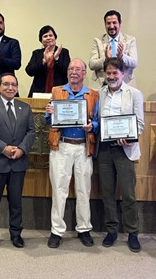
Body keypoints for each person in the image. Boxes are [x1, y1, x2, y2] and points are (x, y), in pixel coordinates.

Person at [0, 73, 35, 251]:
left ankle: (16, 234)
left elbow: (31, 132)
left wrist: (22, 149)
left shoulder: (25, 108)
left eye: (14, 85)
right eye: (7, 84)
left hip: (18, 162)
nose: (11, 88)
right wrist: (4, 148)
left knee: (16, 201)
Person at [45, 58, 99, 248]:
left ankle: (84, 228)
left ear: (84, 73)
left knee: (84, 190)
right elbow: (48, 120)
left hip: (84, 147)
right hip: (62, 146)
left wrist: (92, 126)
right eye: (71, 69)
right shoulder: (57, 91)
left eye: (78, 69)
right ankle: (56, 230)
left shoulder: (93, 95)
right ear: (67, 73)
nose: (74, 72)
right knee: (59, 190)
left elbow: (98, 122)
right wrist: (49, 111)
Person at [97, 57, 144, 253]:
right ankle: (112, 230)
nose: (111, 76)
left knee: (128, 194)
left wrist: (130, 138)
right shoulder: (100, 93)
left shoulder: (134, 94)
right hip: (105, 150)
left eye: (115, 73)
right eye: (108, 73)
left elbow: (139, 124)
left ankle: (133, 233)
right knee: (107, 193)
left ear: (122, 74)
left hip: (125, 149)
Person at [89, 10, 138, 89]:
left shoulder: (130, 40)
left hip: (125, 85)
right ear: (105, 25)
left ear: (120, 23)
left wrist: (122, 56)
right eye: (108, 23)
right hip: (101, 85)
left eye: (114, 22)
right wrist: (106, 59)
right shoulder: (97, 40)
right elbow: (92, 64)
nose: (111, 26)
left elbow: (134, 62)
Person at [25, 25, 70, 97]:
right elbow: (29, 71)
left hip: (59, 91)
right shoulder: (37, 53)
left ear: (55, 38)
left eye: (51, 35)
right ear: (41, 40)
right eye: (45, 36)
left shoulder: (63, 52)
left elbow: (67, 72)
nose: (48, 38)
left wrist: (56, 59)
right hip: (39, 91)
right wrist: (43, 61)